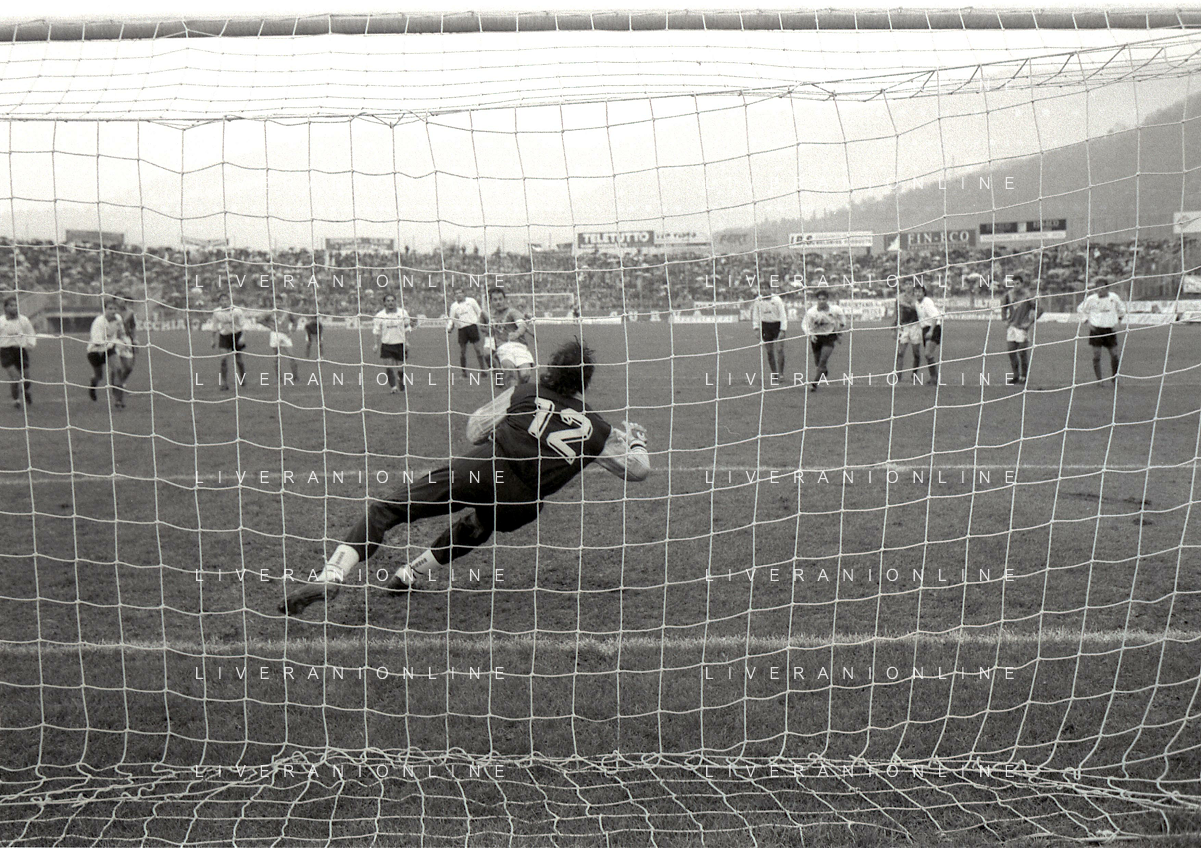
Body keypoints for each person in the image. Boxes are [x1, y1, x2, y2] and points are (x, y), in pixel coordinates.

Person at [280, 338, 651, 616]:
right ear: (585, 381)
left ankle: (332, 575)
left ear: (551, 370)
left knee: (387, 509)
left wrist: (510, 416)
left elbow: (475, 430)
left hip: (482, 469)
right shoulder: (599, 429)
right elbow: (638, 471)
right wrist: (636, 441)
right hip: (523, 503)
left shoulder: (525, 392)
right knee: (477, 526)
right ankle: (408, 576)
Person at [1076, 275, 1126, 385]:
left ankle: (1114, 377)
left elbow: (1122, 309)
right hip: (1096, 330)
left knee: (1114, 354)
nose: (1099, 290)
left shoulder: (1114, 297)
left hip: (1110, 330)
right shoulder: (1091, 299)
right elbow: (1080, 309)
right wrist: (1086, 322)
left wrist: (1119, 321)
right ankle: (1099, 380)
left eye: (1102, 288)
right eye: (1097, 288)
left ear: (1107, 288)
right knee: (1096, 355)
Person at [487, 289, 536, 388]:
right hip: (503, 347)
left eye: (500, 299)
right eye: (495, 300)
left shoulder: (512, 312)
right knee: (510, 371)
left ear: (505, 299)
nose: (498, 302)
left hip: (519, 346)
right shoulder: (491, 317)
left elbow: (522, 325)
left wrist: (516, 333)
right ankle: (512, 393)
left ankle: (519, 391)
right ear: (490, 302)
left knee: (525, 374)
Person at [800, 290, 846, 392]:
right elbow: (804, 325)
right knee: (818, 362)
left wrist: (839, 333)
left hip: (829, 337)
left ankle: (814, 383)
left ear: (827, 299)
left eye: (824, 299)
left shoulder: (835, 310)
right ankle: (823, 370)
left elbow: (842, 320)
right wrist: (810, 335)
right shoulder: (811, 312)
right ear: (817, 300)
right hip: (816, 337)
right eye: (819, 299)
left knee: (822, 360)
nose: (821, 301)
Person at [1001, 275, 1043, 386]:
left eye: (1018, 283)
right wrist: (1004, 320)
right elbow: (1003, 307)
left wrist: (1030, 322)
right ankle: (1015, 376)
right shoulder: (1009, 295)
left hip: (1022, 328)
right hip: (1012, 327)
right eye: (1014, 284)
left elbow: (1040, 309)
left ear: (1022, 284)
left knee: (1022, 353)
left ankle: (1024, 376)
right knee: (1011, 352)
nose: (1015, 286)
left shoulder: (1027, 296)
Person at [87, 298, 129, 408]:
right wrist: (115, 342)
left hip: (109, 349)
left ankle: (118, 400)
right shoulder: (98, 322)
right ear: (104, 309)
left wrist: (124, 341)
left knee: (118, 369)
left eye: (115, 308)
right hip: (95, 351)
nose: (113, 311)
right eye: (110, 309)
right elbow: (97, 342)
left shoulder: (118, 318)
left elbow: (121, 332)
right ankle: (92, 386)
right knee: (98, 376)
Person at [372, 293, 413, 394]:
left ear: (395, 302)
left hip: (400, 344)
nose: (390, 303)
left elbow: (407, 328)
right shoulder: (379, 315)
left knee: (400, 368)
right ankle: (393, 387)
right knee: (389, 366)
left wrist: (407, 341)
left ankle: (400, 380)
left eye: (392, 301)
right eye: (388, 301)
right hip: (386, 344)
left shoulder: (403, 313)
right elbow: (376, 331)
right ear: (384, 303)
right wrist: (376, 344)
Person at [0, 296, 36, 407]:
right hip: (6, 351)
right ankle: (16, 400)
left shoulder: (23, 320)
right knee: (15, 378)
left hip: (20, 350)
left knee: (27, 378)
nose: (15, 307)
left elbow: (30, 332)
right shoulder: (1, 321)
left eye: (16, 305)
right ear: (5, 308)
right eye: (12, 305)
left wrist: (31, 344)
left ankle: (25, 391)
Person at [210, 291, 247, 391]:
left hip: (237, 335)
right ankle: (224, 383)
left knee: (239, 360)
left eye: (226, 300)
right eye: (222, 300)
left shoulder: (237, 311)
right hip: (224, 336)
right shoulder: (216, 312)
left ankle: (242, 378)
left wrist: (242, 337)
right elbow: (214, 326)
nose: (224, 302)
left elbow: (243, 325)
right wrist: (212, 339)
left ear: (230, 301)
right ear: (219, 302)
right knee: (223, 359)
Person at [447, 288, 488, 376]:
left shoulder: (471, 301)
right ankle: (464, 372)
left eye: (460, 293)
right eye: (456, 293)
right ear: (454, 296)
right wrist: (449, 328)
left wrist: (480, 322)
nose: (458, 295)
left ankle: (483, 370)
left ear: (463, 293)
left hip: (472, 327)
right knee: (462, 351)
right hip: (462, 329)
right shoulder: (454, 306)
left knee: (478, 350)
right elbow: (451, 319)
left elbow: (479, 312)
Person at [749, 287, 787, 380]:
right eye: (762, 288)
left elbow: (783, 315)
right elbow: (755, 315)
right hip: (765, 326)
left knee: (779, 349)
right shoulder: (758, 300)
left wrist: (783, 329)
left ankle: (781, 373)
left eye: (766, 288)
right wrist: (756, 328)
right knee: (769, 351)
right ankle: (774, 373)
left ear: (770, 289)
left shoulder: (777, 300)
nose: (764, 290)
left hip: (777, 325)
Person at [894, 286, 923, 383]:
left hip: (915, 325)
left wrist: (904, 304)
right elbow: (897, 312)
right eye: (906, 284)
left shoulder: (916, 296)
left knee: (916, 353)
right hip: (904, 326)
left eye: (910, 283)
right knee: (900, 352)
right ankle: (898, 376)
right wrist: (894, 326)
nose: (908, 286)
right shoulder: (899, 297)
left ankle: (914, 375)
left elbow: (916, 307)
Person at [915, 283, 943, 385]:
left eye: (919, 292)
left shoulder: (927, 302)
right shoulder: (917, 303)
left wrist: (931, 331)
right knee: (927, 354)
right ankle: (933, 378)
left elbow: (935, 317)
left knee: (928, 353)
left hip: (934, 328)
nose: (917, 294)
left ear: (923, 293)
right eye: (916, 292)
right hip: (925, 329)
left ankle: (934, 378)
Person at [267, 310, 298, 383]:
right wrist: (269, 325)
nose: (278, 304)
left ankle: (295, 377)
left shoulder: (287, 312)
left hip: (285, 334)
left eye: (279, 302)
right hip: (275, 335)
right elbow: (260, 319)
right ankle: (279, 378)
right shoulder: (271, 312)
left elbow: (295, 322)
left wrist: (292, 331)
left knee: (291, 356)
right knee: (276, 357)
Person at [115, 294, 138, 386]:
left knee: (129, 367)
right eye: (117, 299)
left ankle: (121, 382)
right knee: (117, 365)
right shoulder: (113, 313)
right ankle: (116, 386)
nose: (120, 301)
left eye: (121, 299)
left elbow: (133, 326)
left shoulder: (130, 313)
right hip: (115, 340)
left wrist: (135, 339)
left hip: (127, 339)